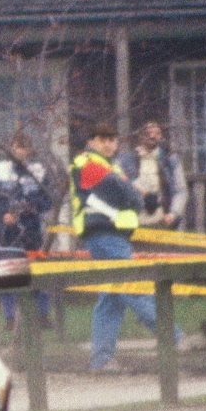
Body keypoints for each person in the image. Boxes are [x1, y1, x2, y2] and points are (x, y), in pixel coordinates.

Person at [71, 123, 161, 373]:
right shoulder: (86, 162)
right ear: (91, 141)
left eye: (112, 139)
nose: (109, 144)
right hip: (103, 234)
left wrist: (139, 194)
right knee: (135, 288)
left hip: (112, 235)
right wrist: (138, 197)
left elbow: (129, 191)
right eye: (103, 139)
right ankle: (176, 339)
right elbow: (124, 192)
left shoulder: (111, 166)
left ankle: (101, 360)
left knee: (111, 299)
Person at [0, 132, 56, 328]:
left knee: (38, 271)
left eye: (24, 147)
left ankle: (43, 315)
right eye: (16, 147)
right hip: (7, 230)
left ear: (29, 149)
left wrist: (33, 208)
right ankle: (9, 317)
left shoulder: (39, 170)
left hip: (32, 229)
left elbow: (48, 199)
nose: (20, 151)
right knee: (8, 272)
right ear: (10, 147)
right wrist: (3, 215)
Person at [116, 120, 186, 228]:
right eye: (147, 133)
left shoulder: (170, 160)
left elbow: (180, 190)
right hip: (134, 222)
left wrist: (173, 214)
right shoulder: (125, 160)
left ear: (161, 136)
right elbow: (117, 185)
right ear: (140, 136)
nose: (152, 136)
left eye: (156, 133)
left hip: (161, 221)